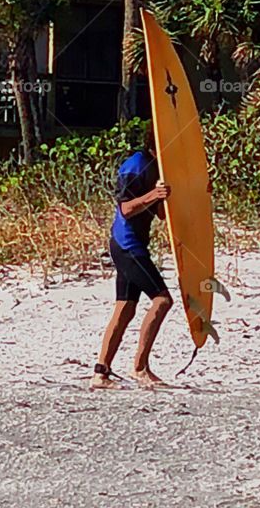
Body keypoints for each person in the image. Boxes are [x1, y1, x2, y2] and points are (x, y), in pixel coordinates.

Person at [91, 127, 173, 389]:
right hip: (127, 244)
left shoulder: (158, 168)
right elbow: (125, 208)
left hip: (134, 245)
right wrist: (154, 195)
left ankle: (100, 373)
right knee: (162, 300)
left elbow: (160, 214)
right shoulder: (135, 165)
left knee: (125, 308)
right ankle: (140, 368)